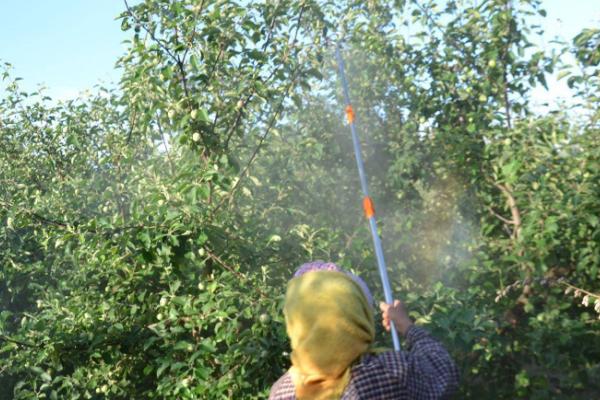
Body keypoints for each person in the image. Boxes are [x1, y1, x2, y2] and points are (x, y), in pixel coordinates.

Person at [269, 261, 459, 400]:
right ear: (358, 314)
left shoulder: (281, 392)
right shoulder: (391, 370)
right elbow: (444, 374)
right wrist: (406, 325)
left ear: (294, 323)